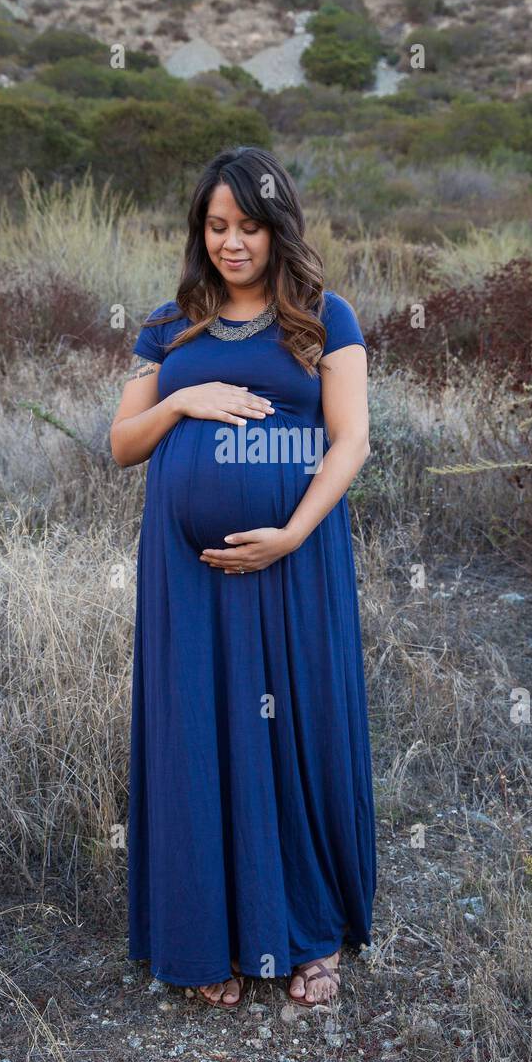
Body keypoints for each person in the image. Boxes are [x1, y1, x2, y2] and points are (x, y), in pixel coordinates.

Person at [110, 145, 376, 1009]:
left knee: (292, 733)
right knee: (199, 733)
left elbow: (352, 442)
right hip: (186, 579)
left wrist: (291, 533)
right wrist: (183, 400)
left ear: (277, 229)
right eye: (217, 226)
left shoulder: (324, 316)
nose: (232, 243)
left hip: (293, 566)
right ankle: (207, 936)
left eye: (249, 227)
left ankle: (306, 932)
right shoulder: (167, 322)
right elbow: (119, 445)